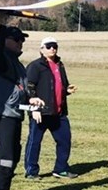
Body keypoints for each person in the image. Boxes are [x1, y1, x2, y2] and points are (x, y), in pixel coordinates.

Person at [0, 16, 45, 190]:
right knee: (4, 159)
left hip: (13, 116)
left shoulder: (17, 65)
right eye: (17, 39)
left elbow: (20, 90)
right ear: (6, 41)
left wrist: (31, 101)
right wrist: (2, 26)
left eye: (23, 40)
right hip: (1, 116)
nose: (22, 43)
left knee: (13, 157)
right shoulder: (0, 59)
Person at [24, 37, 78, 180]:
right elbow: (28, 87)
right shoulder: (35, 66)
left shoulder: (59, 65)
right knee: (35, 142)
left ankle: (60, 169)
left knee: (65, 140)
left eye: (54, 46)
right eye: (48, 46)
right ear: (41, 49)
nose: (52, 49)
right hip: (40, 112)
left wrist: (67, 90)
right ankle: (31, 171)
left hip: (58, 112)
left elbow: (61, 85)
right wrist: (33, 109)